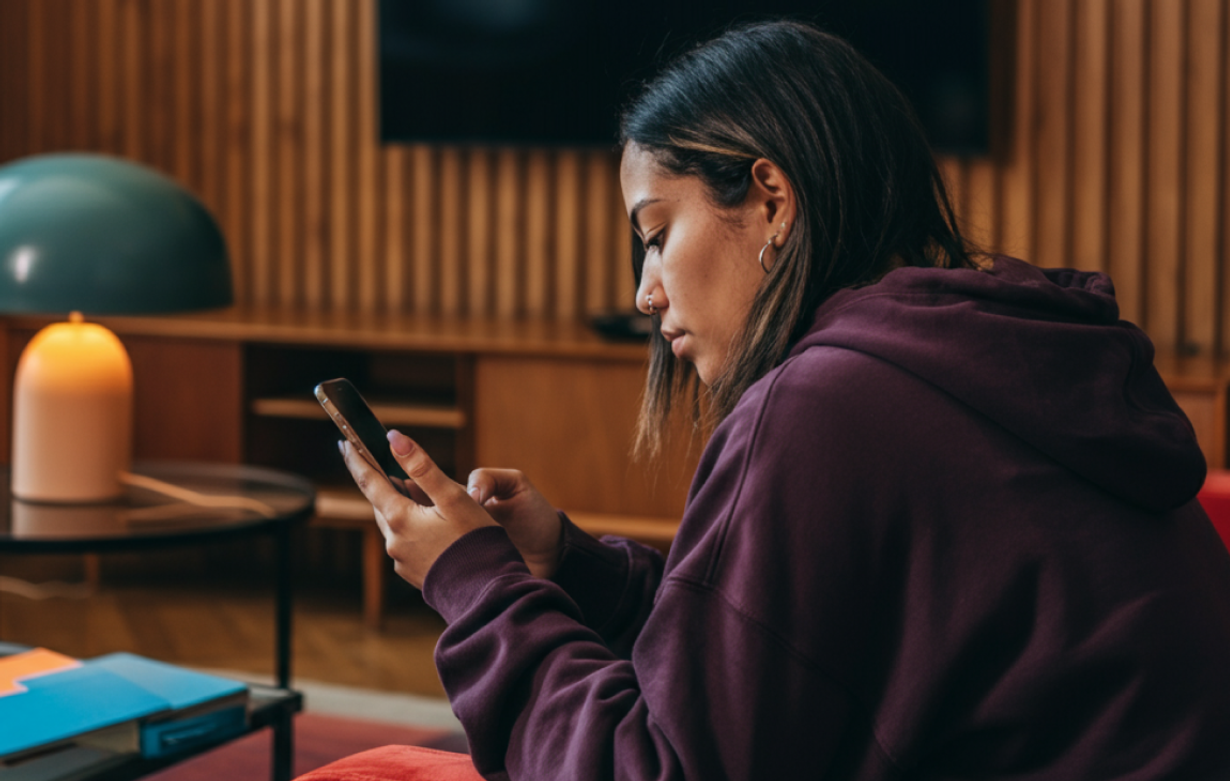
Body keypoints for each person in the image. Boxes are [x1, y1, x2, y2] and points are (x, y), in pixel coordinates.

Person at [304, 20, 1230, 781]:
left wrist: (473, 583)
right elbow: (792, 657)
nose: (643, 290)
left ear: (773, 200)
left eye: (657, 234)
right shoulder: (992, 357)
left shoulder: (828, 404)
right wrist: (570, 568)